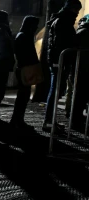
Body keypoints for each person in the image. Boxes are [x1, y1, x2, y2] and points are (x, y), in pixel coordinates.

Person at [43, 0, 82, 132]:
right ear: (69, 9)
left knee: (56, 91)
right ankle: (49, 122)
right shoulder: (63, 21)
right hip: (59, 61)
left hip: (59, 60)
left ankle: (50, 121)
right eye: (76, 10)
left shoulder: (62, 20)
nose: (77, 13)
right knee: (55, 91)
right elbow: (60, 43)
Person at [10, 16, 40, 129]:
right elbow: (27, 54)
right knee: (23, 97)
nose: (36, 27)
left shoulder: (21, 35)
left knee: (22, 97)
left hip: (23, 68)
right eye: (35, 25)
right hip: (25, 68)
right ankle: (17, 121)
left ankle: (17, 120)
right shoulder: (25, 36)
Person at [71, 14, 89, 130]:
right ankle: (76, 121)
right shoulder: (86, 32)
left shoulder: (81, 30)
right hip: (84, 69)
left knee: (79, 96)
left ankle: (76, 120)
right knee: (81, 96)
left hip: (80, 69)